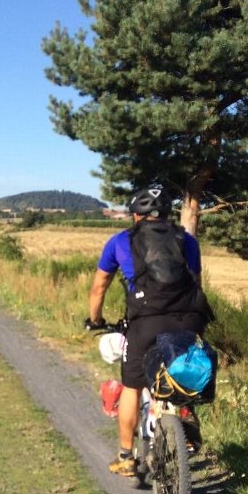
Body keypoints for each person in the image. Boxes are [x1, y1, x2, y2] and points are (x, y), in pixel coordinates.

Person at [85, 184, 212, 476]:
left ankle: (126, 455)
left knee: (132, 385)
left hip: (146, 322)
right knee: (184, 365)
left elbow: (98, 287)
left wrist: (95, 319)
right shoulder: (188, 241)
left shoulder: (120, 241)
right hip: (189, 318)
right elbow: (196, 284)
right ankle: (185, 415)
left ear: (136, 216)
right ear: (166, 214)